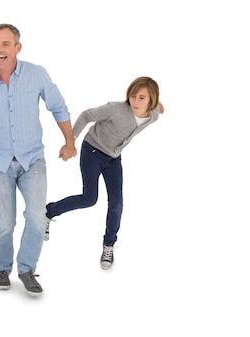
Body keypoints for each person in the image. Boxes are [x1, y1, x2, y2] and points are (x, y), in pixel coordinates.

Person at [0, 23, 77, 297]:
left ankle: (27, 269)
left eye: (6, 44)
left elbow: (58, 106)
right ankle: (1, 269)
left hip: (32, 160)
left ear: (17, 47)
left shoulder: (36, 74)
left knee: (35, 216)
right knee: (4, 223)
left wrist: (69, 141)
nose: (0, 49)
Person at [44, 76, 164, 270]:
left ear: (151, 100)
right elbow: (85, 116)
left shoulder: (153, 114)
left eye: (142, 98)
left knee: (117, 202)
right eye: (133, 96)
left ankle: (108, 244)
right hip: (92, 150)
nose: (135, 101)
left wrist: (156, 102)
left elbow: (160, 107)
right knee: (89, 198)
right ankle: (48, 212)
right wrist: (70, 142)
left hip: (113, 158)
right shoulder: (116, 109)